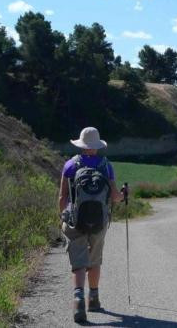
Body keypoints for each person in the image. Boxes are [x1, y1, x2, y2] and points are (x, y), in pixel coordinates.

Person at [58, 127, 121, 322]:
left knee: (79, 261)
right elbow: (115, 197)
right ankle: (93, 299)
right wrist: (123, 195)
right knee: (94, 259)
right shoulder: (106, 165)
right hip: (99, 221)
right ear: (96, 146)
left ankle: (78, 300)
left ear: (81, 144)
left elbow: (63, 196)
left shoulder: (70, 165)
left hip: (75, 220)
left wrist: (63, 217)